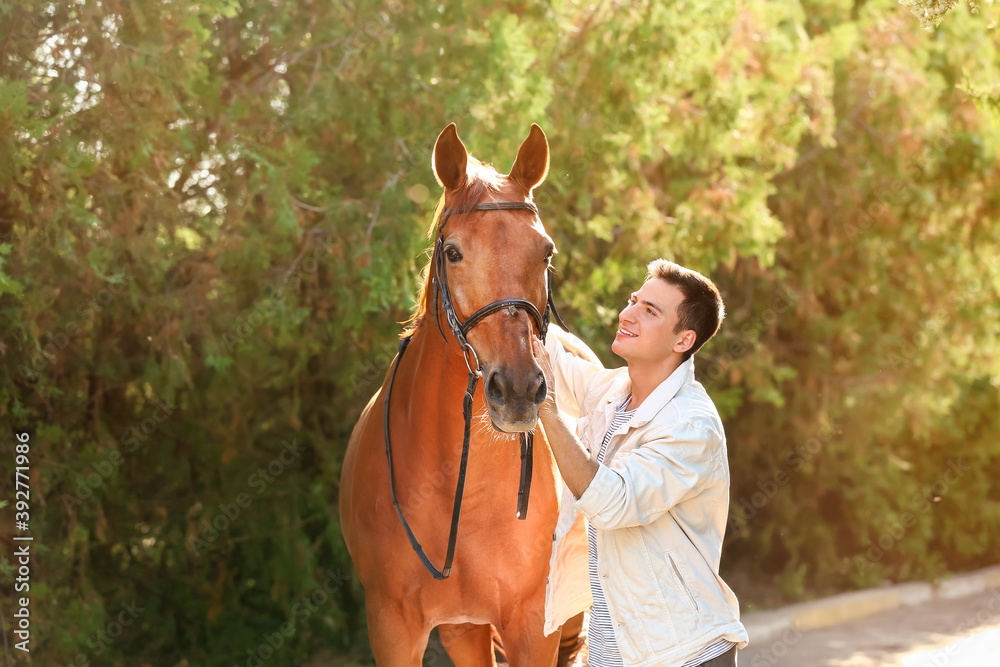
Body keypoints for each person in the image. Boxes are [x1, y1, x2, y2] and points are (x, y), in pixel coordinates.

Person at [532, 259, 749, 666]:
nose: (627, 314)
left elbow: (613, 503)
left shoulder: (690, 425)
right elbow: (551, 356)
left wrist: (547, 410)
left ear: (683, 340)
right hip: (614, 655)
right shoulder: (613, 391)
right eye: (634, 301)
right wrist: (517, 288)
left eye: (650, 311)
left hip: (684, 655)